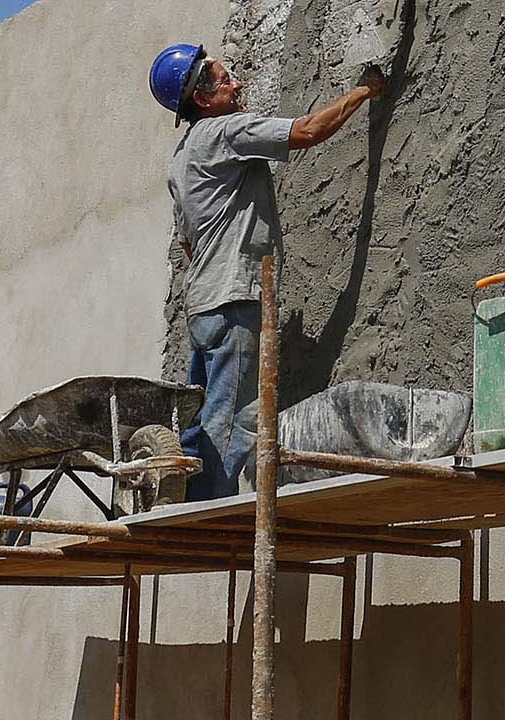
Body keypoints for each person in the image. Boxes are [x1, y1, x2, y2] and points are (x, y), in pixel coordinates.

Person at [149, 44, 386, 498]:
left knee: (202, 415)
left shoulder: (181, 159)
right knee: (235, 416)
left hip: (202, 302)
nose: (236, 85)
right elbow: (308, 131)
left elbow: (186, 240)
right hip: (234, 296)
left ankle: (190, 501)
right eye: (224, 81)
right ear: (201, 99)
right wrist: (364, 92)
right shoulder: (223, 131)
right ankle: (211, 517)